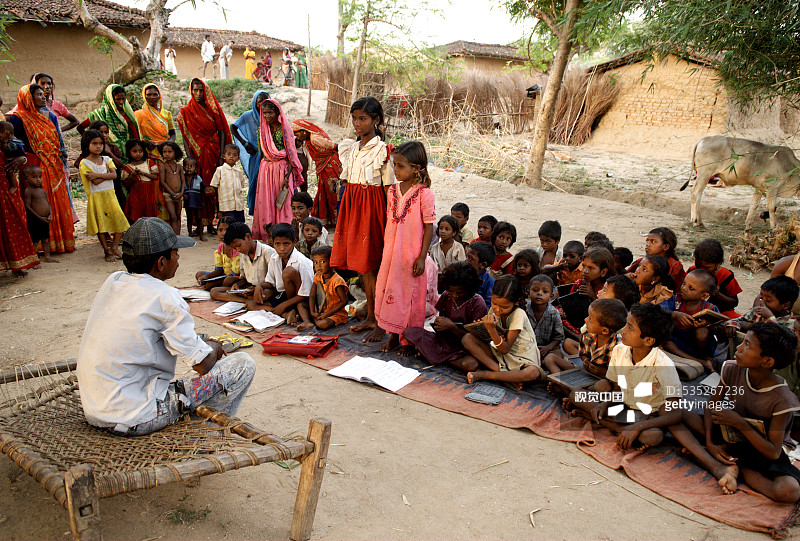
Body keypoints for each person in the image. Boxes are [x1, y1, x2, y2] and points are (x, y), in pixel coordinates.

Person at [76, 217, 256, 436]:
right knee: (243, 365)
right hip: (133, 415)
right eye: (175, 252)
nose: (179, 257)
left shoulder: (114, 280)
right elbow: (202, 365)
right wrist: (214, 347)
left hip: (97, 408)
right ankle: (205, 439)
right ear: (161, 263)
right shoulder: (164, 296)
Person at [669, 323, 800, 502]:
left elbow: (773, 452)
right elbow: (711, 406)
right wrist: (711, 442)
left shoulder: (782, 399)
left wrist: (739, 423)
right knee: (673, 413)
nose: (738, 348)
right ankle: (716, 459)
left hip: (759, 449)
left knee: (789, 491)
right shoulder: (732, 368)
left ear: (767, 361)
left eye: (747, 345)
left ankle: (732, 467)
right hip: (728, 435)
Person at [571, 303, 682, 450]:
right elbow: (618, 391)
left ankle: (610, 425)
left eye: (630, 327)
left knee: (653, 436)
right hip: (624, 409)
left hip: (648, 417)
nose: (623, 330)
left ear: (648, 340)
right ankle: (618, 427)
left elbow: (675, 414)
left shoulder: (663, 364)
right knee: (576, 394)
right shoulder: (619, 350)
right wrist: (604, 405)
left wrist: (639, 426)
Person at [331, 97, 395, 337]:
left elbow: (389, 189)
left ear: (376, 120)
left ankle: (380, 320)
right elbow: (347, 181)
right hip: (353, 207)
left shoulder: (383, 151)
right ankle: (370, 316)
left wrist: (390, 221)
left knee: (375, 265)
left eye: (363, 119)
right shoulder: (351, 149)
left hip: (372, 208)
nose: (357, 124)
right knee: (365, 266)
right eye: (354, 118)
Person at [372, 141, 436, 354]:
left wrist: (421, 257)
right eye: (394, 165)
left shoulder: (424, 194)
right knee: (392, 293)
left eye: (400, 166)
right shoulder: (392, 191)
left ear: (416, 169)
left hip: (412, 255)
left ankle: (409, 339)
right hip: (392, 253)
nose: (395, 170)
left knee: (410, 298)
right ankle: (392, 335)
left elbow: (429, 228)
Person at [8, 85, 74, 254]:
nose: (43, 96)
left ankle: (60, 242)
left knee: (55, 202)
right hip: (32, 166)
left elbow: (56, 141)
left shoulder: (50, 116)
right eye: (38, 94)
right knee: (36, 202)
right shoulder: (17, 119)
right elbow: (16, 144)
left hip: (54, 165)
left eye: (42, 94)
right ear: (28, 98)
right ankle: (38, 246)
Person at [455, 275, 544, 389]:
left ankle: (486, 375)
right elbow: (493, 343)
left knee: (532, 373)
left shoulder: (519, 314)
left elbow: (505, 349)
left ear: (516, 302)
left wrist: (491, 329)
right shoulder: (493, 311)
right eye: (494, 303)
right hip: (500, 357)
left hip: (521, 359)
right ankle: (508, 377)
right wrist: (481, 328)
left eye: (504, 307)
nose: (498, 309)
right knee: (467, 338)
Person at [403, 261, 488, 365]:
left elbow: (476, 340)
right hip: (445, 341)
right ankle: (438, 356)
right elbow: (440, 324)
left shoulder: (477, 303)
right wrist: (440, 325)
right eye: (451, 291)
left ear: (470, 288)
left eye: (460, 292)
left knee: (469, 364)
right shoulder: (446, 296)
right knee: (410, 332)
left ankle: (434, 357)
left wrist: (453, 327)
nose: (454, 295)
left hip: (464, 346)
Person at [177, 78, 232, 234]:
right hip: (197, 157)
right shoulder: (186, 112)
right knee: (197, 191)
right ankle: (199, 225)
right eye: (195, 90)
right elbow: (186, 137)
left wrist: (222, 154)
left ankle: (212, 225)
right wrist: (190, 159)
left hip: (214, 154)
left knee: (213, 190)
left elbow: (221, 132)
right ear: (191, 90)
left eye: (201, 90)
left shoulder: (212, 109)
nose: (199, 93)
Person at [252, 98, 304, 238]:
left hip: (281, 169)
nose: (267, 116)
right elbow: (262, 152)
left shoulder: (284, 129)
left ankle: (284, 232)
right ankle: (269, 232)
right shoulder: (261, 131)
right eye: (265, 113)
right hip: (266, 169)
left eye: (270, 112)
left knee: (283, 201)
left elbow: (290, 154)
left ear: (277, 112)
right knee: (266, 201)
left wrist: (288, 176)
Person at [246, 222, 314, 323]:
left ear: (294, 242)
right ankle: (285, 314)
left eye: (286, 244)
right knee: (251, 305)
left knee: (288, 272)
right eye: (277, 244)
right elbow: (271, 283)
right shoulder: (274, 258)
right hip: (284, 295)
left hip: (301, 300)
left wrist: (284, 305)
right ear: (272, 243)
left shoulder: (302, 262)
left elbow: (306, 294)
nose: (282, 249)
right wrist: (259, 286)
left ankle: (292, 310)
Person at [78, 130, 129, 262]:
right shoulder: (84, 163)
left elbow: (114, 175)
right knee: (101, 226)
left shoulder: (107, 159)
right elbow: (95, 181)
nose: (98, 146)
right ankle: (107, 250)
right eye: (94, 143)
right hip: (97, 197)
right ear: (86, 145)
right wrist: (106, 174)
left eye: (101, 143)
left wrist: (98, 174)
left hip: (110, 195)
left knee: (120, 221)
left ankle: (114, 247)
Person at [661, 269, 721, 370]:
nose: (684, 288)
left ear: (704, 296)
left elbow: (720, 330)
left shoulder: (709, 308)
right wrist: (674, 314)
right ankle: (701, 362)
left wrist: (708, 325)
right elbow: (659, 311)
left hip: (701, 345)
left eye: (691, 288)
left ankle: (704, 358)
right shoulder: (675, 300)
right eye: (684, 283)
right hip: (679, 341)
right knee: (668, 344)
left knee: (702, 332)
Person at [292, 119, 341, 228]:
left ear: (304, 131)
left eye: (297, 133)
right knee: (325, 191)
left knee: (331, 192)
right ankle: (331, 219)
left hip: (329, 166)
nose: (297, 137)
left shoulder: (315, 139)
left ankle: (337, 219)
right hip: (324, 166)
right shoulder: (308, 140)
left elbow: (334, 146)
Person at [211, 222, 276, 303]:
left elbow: (274, 281)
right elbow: (244, 278)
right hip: (249, 287)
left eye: (239, 245)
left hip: (265, 288)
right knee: (214, 292)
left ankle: (250, 301)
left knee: (265, 294)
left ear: (248, 237)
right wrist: (238, 285)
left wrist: (259, 287)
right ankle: (246, 300)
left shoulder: (268, 252)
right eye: (235, 248)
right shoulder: (243, 254)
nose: (238, 250)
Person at [231, 90, 270, 216]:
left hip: (269, 157)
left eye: (265, 102)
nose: (262, 105)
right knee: (256, 184)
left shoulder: (271, 115)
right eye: (260, 103)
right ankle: (257, 213)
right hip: (256, 157)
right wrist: (245, 144)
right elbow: (233, 127)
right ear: (255, 103)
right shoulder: (248, 116)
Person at [0, 152, 39, 275]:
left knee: (11, 226)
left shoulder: (5, 146)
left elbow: (19, 154)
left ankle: (17, 264)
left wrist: (22, 158)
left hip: (5, 191)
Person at [79, 85, 141, 162]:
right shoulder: (99, 114)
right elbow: (80, 127)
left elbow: (135, 136)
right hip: (104, 152)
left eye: (123, 99)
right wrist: (91, 141)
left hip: (124, 154)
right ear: (110, 99)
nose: (121, 102)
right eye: (118, 99)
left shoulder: (128, 115)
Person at [297, 245, 349, 331]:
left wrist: (326, 314)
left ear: (332, 262)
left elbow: (344, 301)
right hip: (320, 310)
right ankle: (308, 320)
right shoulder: (318, 276)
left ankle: (310, 320)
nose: (318, 266)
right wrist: (313, 311)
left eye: (323, 262)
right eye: (315, 262)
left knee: (323, 324)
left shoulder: (337, 281)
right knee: (300, 305)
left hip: (335, 313)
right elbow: (312, 295)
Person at [687, 238, 742, 318]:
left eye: (707, 267)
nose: (702, 270)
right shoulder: (692, 270)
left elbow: (734, 302)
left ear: (718, 263)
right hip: (692, 309)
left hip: (719, 311)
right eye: (698, 265)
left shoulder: (726, 276)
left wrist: (718, 294)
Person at [526, 274, 569, 373]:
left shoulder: (554, 313)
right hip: (528, 347)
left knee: (555, 356)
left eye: (545, 291)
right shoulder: (524, 310)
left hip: (549, 347)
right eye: (535, 290)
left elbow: (558, 337)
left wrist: (547, 348)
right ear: (528, 292)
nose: (539, 293)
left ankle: (559, 379)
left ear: (551, 296)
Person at [726, 276, 799, 333]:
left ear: (786, 305)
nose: (762, 303)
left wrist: (770, 318)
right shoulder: (757, 312)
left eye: (768, 300)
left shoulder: (792, 323)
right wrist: (733, 324)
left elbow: (780, 338)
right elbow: (737, 320)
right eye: (761, 298)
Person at [576, 298, 627, 378]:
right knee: (552, 358)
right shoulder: (587, 334)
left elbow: (621, 375)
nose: (585, 319)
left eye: (590, 320)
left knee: (602, 386)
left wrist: (603, 372)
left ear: (604, 331)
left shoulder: (619, 347)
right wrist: (585, 360)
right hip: (588, 372)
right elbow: (583, 353)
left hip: (606, 379)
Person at [122, 139, 161, 222]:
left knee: (150, 219)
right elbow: (126, 184)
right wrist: (132, 175)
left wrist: (143, 173)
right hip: (136, 197)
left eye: (140, 151)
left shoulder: (149, 162)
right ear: (129, 152)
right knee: (137, 219)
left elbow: (155, 177)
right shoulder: (127, 167)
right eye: (134, 151)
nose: (138, 154)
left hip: (149, 196)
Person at [195, 216, 239, 290]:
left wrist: (214, 283)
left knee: (228, 280)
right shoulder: (221, 247)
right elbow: (219, 270)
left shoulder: (236, 249)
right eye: (220, 230)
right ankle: (217, 286)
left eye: (227, 230)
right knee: (199, 274)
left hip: (235, 278)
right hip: (223, 275)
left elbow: (235, 274)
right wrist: (206, 277)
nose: (223, 233)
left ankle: (217, 287)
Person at [134, 83, 176, 161]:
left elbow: (173, 134)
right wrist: (146, 143)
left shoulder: (167, 114)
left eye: (155, 94)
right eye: (149, 94)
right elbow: (135, 136)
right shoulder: (138, 114)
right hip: (146, 152)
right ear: (144, 96)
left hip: (164, 152)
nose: (152, 97)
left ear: (159, 96)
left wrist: (166, 143)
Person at [211, 144, 246, 223]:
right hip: (226, 205)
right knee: (228, 224)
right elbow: (215, 186)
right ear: (224, 156)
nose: (231, 157)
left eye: (234, 155)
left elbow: (241, 186)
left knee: (239, 224)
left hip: (238, 205)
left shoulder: (239, 172)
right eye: (229, 154)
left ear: (238, 158)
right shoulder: (220, 170)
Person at [467, 241, 496, 306]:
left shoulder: (489, 283)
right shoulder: (463, 274)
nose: (466, 260)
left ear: (483, 265)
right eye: (467, 257)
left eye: (470, 258)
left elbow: (489, 305)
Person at [183, 157, 205, 240]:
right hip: (187, 200)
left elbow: (203, 190)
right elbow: (180, 188)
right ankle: (190, 234)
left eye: (191, 166)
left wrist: (202, 201)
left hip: (197, 200)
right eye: (186, 166)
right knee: (189, 217)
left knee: (199, 217)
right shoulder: (182, 178)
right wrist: (183, 195)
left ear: (195, 168)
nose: (189, 168)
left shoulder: (198, 178)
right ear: (183, 167)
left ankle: (201, 234)